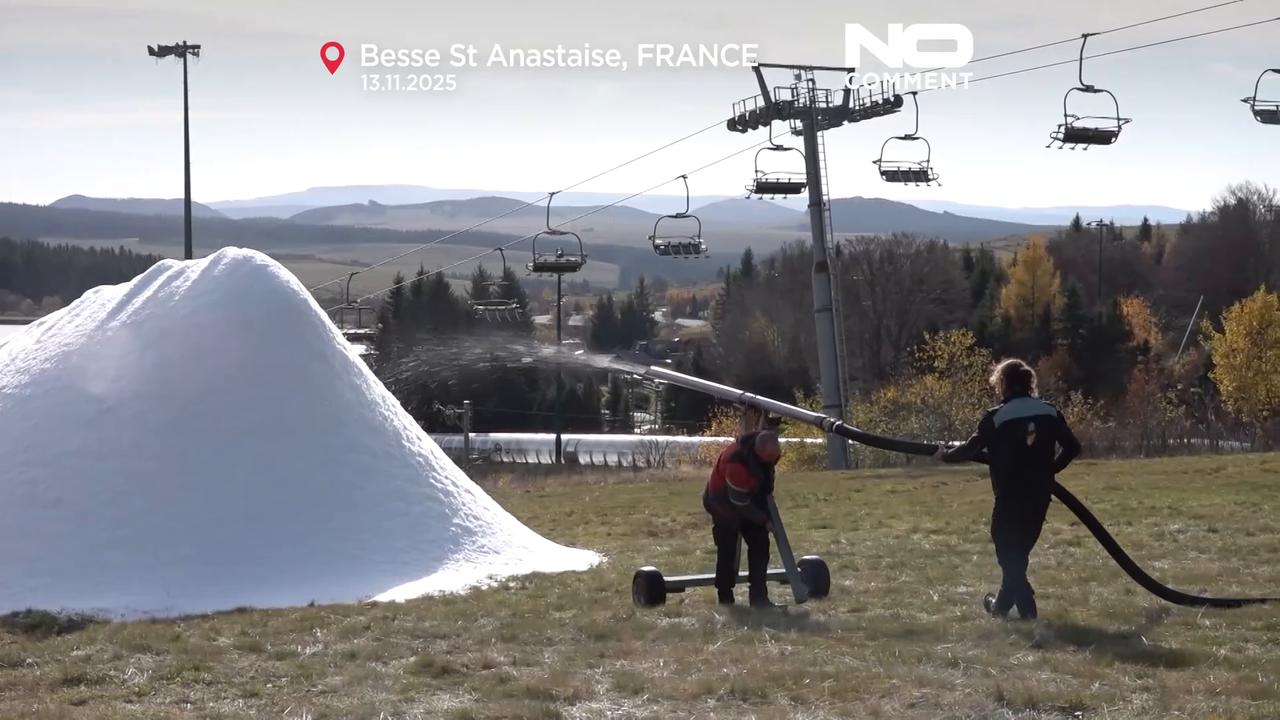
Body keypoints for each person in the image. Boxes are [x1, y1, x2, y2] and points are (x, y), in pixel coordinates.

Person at [935, 359, 1081, 620]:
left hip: (1010, 496)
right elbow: (1073, 447)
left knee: (1007, 552)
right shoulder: (1049, 412)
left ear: (1003, 383)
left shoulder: (997, 416)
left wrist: (944, 455)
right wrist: (1049, 472)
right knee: (1017, 556)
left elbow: (970, 449)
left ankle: (1027, 610)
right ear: (1029, 383)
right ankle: (1001, 608)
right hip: (1039, 496)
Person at [703, 429, 783, 608]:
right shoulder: (736, 462)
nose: (773, 462)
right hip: (722, 503)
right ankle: (725, 598)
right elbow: (740, 503)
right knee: (728, 549)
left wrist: (766, 514)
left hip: (748, 497)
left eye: (775, 458)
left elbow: (764, 483)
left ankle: (759, 598)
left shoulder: (766, 454)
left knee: (760, 544)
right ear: (759, 452)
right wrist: (764, 520)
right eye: (769, 459)